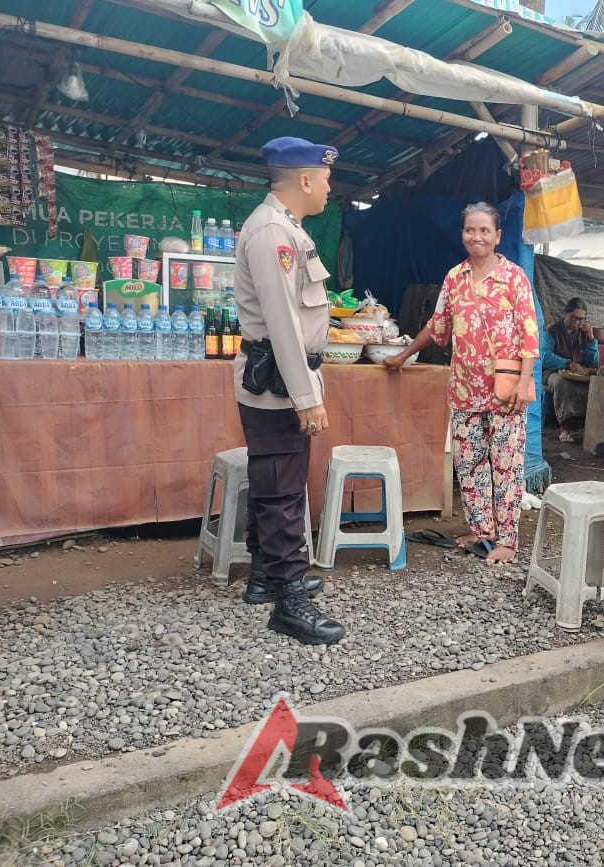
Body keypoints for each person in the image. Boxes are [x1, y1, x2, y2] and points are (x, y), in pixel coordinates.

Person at [233, 136, 345, 645]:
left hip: (282, 376)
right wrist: (308, 397)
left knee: (274, 478)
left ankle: (263, 576)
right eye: (324, 179)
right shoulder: (272, 233)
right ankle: (290, 599)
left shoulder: (286, 228)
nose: (328, 188)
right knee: (282, 489)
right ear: (304, 179)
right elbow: (281, 322)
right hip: (279, 379)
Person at [384, 202, 539, 565]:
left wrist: (524, 382)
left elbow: (530, 335)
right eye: (471, 230)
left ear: (498, 236)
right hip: (466, 389)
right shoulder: (454, 277)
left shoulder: (514, 277)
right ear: (462, 234)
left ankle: (506, 541)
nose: (477, 236)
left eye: (485, 230)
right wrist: (402, 355)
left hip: (506, 390)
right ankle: (481, 529)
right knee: (469, 464)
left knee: (505, 466)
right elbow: (438, 326)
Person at [540, 297, 600, 442]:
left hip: (576, 374)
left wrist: (591, 339)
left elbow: (593, 362)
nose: (578, 322)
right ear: (565, 313)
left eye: (581, 319)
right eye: (574, 318)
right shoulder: (552, 331)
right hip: (551, 372)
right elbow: (544, 356)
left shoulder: (583, 334)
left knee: (597, 383)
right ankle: (564, 427)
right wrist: (566, 363)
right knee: (561, 383)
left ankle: (586, 423)